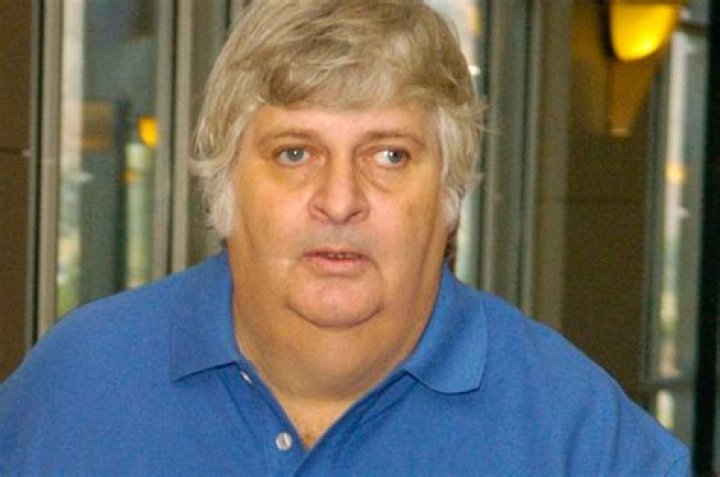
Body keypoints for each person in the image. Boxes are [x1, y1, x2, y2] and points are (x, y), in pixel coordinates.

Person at [1, 1, 688, 475]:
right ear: (224, 186)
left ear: (449, 194)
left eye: (388, 155)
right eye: (294, 153)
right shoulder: (75, 386)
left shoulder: (576, 433)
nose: (339, 200)